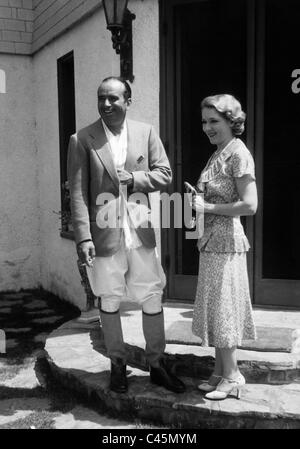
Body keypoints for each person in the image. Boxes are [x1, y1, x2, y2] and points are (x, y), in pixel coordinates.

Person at [67, 76, 185, 394]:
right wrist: (83, 237)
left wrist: (134, 178)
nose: (106, 104)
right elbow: (77, 193)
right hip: (104, 235)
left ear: (127, 101)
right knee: (109, 297)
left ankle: (157, 365)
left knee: (151, 295)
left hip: (140, 231)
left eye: (113, 99)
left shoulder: (145, 132)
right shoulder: (82, 139)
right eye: (101, 98)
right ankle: (117, 365)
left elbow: (165, 173)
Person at [191, 94, 257, 400]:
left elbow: (250, 205)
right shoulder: (218, 153)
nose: (207, 127)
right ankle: (219, 371)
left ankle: (232, 377)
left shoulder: (238, 154)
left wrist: (206, 206)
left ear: (232, 121)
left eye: (214, 121)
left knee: (224, 308)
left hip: (227, 242)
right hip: (211, 242)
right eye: (204, 121)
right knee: (216, 308)